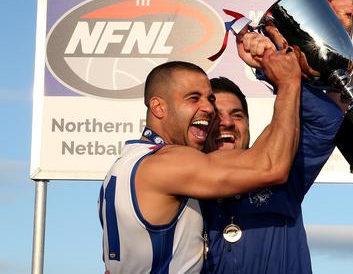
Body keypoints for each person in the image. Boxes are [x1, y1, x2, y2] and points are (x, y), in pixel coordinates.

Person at [98, 41, 302, 274]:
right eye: (193, 98)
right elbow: (271, 167)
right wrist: (288, 83)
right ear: (158, 107)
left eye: (209, 99)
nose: (208, 108)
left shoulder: (125, 164)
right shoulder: (165, 163)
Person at [200, 0, 353, 274]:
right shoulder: (184, 189)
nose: (226, 123)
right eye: (214, 116)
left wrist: (274, 72)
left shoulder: (281, 174)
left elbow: (327, 121)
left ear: (248, 125)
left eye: (237, 115)